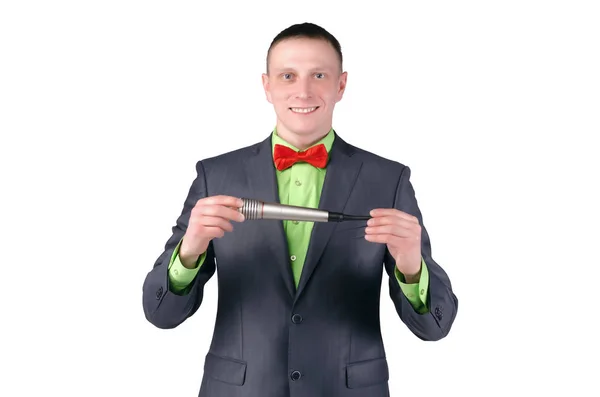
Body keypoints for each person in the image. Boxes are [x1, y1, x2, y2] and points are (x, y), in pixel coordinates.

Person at [142, 22, 458, 397]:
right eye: (288, 76)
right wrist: (190, 251)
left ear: (341, 85)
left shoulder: (387, 180)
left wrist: (411, 266)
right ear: (267, 85)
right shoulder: (216, 176)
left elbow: (435, 327)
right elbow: (161, 314)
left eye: (319, 75)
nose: (303, 91)